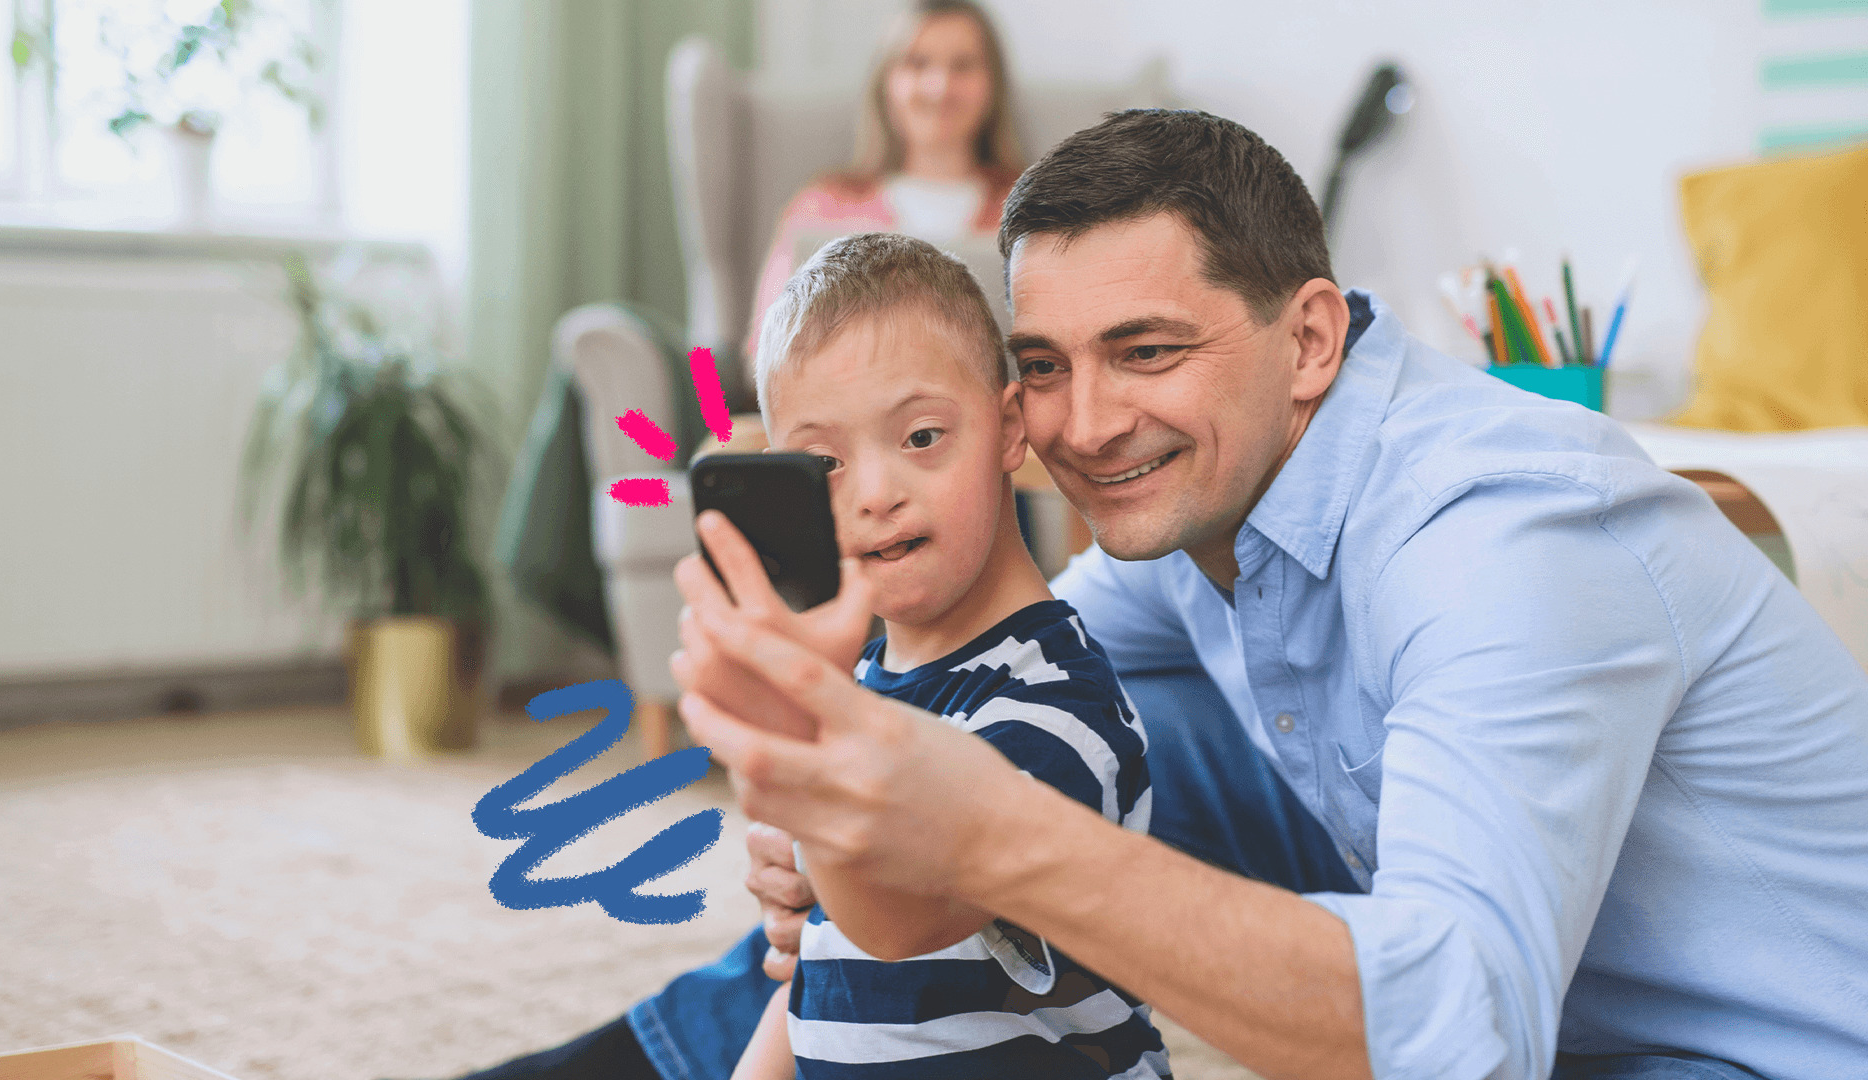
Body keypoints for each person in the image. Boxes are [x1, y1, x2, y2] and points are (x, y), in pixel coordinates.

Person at [672, 109, 1868, 1080]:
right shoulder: (1206, 498)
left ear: (1307, 341)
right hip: (1557, 1000)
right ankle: (667, 1050)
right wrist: (834, 802)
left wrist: (988, 835)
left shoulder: (1502, 540)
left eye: (1147, 352)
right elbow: (1012, 658)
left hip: (1749, 1048)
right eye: (1045, 367)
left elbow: (1461, 1036)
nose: (1085, 429)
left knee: (988, 796)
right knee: (1001, 734)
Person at [689, 232, 1165, 1079]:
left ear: (1009, 426)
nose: (875, 493)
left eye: (920, 438)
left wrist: (805, 733)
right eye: (825, 462)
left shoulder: (1056, 705)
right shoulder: (865, 691)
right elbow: (816, 976)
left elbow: (902, 921)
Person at [742, 0, 1023, 370]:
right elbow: (761, 353)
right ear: (886, 82)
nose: (939, 87)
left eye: (963, 66)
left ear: (992, 84)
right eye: (917, 63)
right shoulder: (823, 205)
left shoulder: (1031, 206)